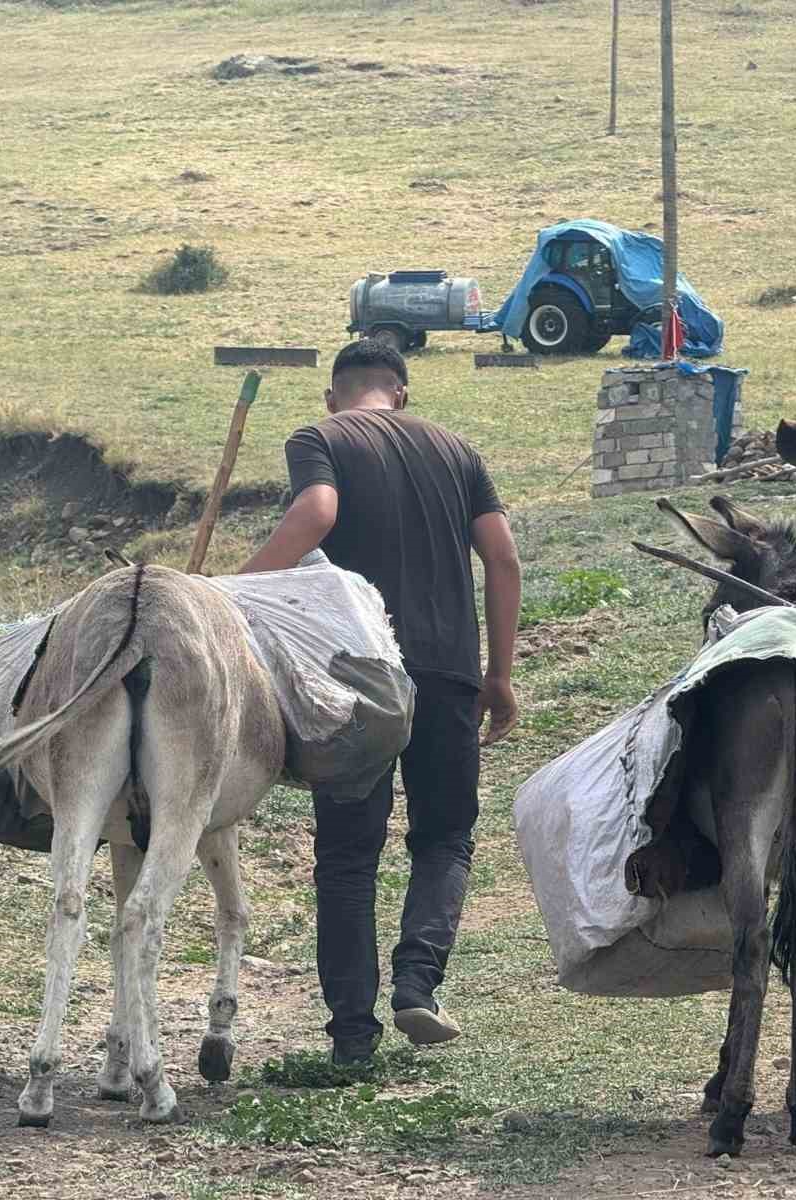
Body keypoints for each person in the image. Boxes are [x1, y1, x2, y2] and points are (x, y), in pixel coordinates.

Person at [239, 339, 522, 1065]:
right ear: (401, 391)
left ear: (334, 397)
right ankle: (417, 987)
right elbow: (503, 558)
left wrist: (225, 591)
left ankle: (352, 1039)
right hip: (449, 675)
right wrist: (499, 674)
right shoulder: (458, 451)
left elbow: (316, 514)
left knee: (345, 858)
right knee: (445, 836)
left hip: (356, 680)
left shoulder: (321, 437)